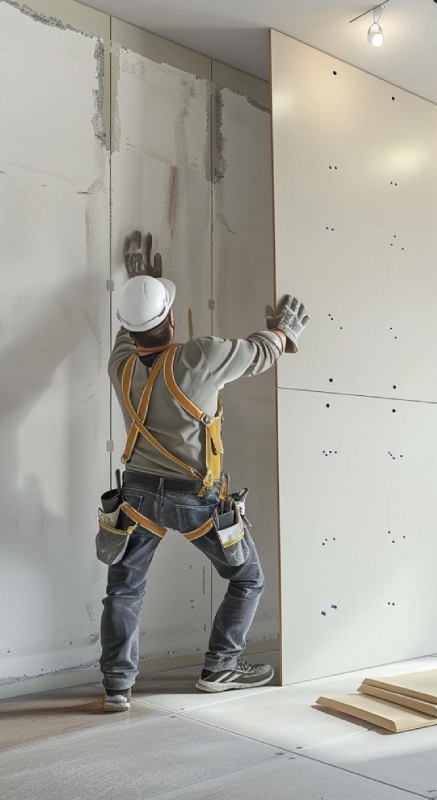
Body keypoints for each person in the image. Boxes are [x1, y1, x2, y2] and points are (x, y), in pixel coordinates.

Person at [99, 230, 309, 712]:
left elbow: (128, 335)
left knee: (124, 588)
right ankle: (220, 667)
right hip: (195, 499)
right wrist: (285, 332)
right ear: (172, 317)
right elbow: (260, 351)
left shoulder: (120, 366)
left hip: (136, 498)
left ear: (128, 330)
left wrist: (139, 283)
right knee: (247, 579)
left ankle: (116, 686)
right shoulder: (200, 356)